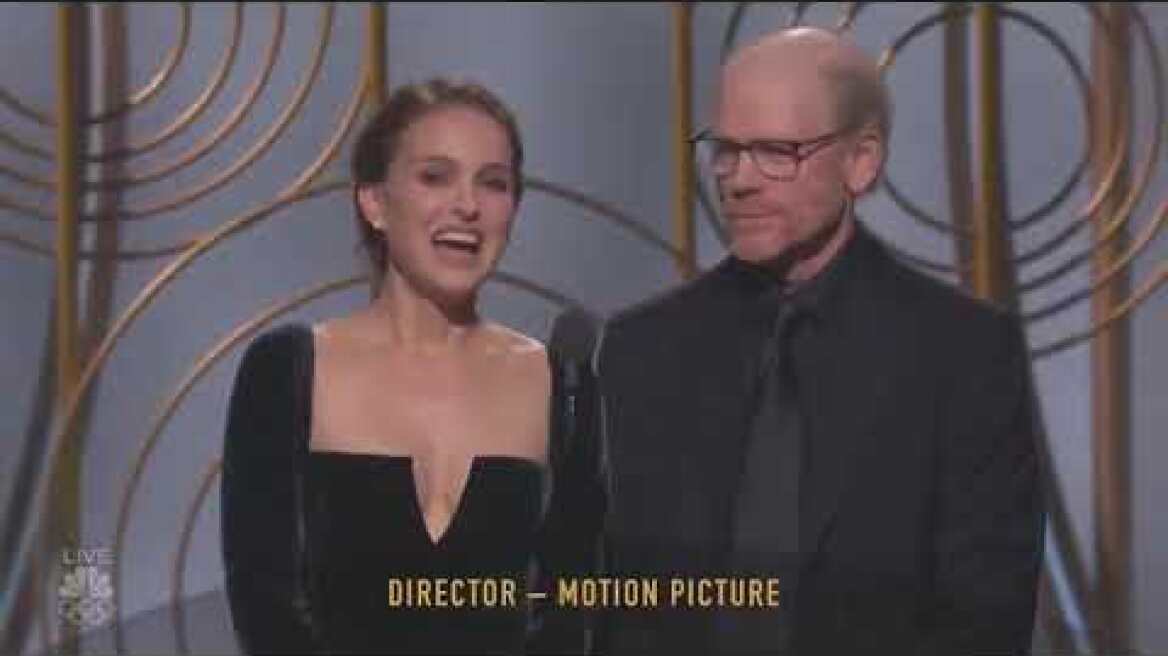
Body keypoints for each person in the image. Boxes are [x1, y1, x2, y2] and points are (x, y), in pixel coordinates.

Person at [596, 28, 1044, 654]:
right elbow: (619, 610)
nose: (738, 180)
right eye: (726, 150)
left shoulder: (965, 356)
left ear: (861, 161)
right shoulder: (641, 350)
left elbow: (984, 621)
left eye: (775, 151)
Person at [219, 78, 605, 655]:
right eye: (435, 177)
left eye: (493, 183)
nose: (467, 206)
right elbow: (265, 612)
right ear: (374, 202)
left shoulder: (563, 384)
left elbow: (571, 617)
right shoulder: (288, 370)